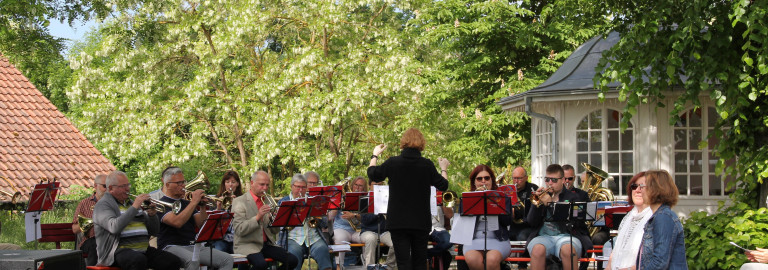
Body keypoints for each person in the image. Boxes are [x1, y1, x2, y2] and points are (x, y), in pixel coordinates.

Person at [367, 128, 450, 270]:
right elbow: (443, 185)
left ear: (403, 142)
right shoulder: (427, 164)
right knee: (419, 263)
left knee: (403, 263)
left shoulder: (393, 162)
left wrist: (374, 155)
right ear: (422, 143)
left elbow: (373, 174)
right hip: (420, 222)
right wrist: (443, 168)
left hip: (398, 222)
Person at [92, 171, 183, 270]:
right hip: (115, 252)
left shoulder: (131, 203)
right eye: (123, 186)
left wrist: (152, 216)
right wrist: (135, 207)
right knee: (138, 260)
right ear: (110, 188)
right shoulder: (103, 205)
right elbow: (114, 227)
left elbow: (154, 231)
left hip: (143, 250)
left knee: (173, 261)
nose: (127, 188)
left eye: (128, 185)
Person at [157, 167, 234, 270]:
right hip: (171, 246)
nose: (183, 185)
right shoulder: (161, 203)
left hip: (192, 245)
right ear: (167, 185)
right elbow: (177, 222)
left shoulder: (187, 203)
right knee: (192, 260)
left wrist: (202, 206)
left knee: (227, 259)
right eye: (178, 183)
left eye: (183, 182)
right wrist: (194, 202)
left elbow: (202, 224)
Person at [526, 164, 592, 270]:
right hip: (543, 236)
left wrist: (551, 204)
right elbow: (531, 222)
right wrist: (536, 205)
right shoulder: (541, 195)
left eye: (554, 180)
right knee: (537, 250)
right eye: (547, 179)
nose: (550, 183)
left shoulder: (573, 197)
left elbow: (574, 223)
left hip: (567, 235)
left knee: (568, 251)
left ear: (562, 180)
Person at [232, 171, 299, 270]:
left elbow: (275, 232)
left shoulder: (268, 200)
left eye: (267, 185)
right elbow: (239, 229)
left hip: (266, 244)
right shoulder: (239, 201)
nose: (265, 188)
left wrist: (274, 219)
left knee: (293, 261)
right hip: (247, 244)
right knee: (261, 265)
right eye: (262, 184)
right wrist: (258, 217)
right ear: (252, 183)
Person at [458, 165, 511, 270]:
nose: (483, 181)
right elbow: (462, 224)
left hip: (498, 239)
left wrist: (493, 204)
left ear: (492, 180)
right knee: (473, 260)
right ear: (474, 182)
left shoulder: (502, 197)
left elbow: (508, 221)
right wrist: (477, 201)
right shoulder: (467, 199)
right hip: (474, 240)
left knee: (492, 260)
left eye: (487, 178)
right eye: (479, 178)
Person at [277, 174, 334, 270]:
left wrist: (316, 215)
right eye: (298, 187)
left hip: (313, 238)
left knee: (323, 250)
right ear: (291, 186)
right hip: (293, 239)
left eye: (303, 187)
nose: (300, 190)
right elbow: (279, 225)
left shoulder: (314, 200)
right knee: (293, 256)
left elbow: (324, 223)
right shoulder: (283, 202)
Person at [635, 170, 687, 269]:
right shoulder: (659, 216)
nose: (639, 190)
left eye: (642, 186)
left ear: (655, 189)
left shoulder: (663, 217)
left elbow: (660, 262)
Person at [606, 172, 652, 270]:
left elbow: (652, 261)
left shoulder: (654, 218)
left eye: (643, 187)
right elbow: (614, 254)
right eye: (634, 186)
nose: (638, 190)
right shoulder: (628, 217)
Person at [330, 176, 367, 266]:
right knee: (339, 239)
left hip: (358, 230)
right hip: (341, 228)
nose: (357, 188)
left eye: (360, 186)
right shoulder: (342, 197)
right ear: (352, 185)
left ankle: (366, 264)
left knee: (368, 239)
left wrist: (354, 215)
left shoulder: (366, 199)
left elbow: (367, 218)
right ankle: (339, 266)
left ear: (364, 188)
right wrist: (337, 204)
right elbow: (331, 216)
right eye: (355, 185)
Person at [360, 180, 397, 269]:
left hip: (384, 231)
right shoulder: (364, 199)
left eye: (380, 185)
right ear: (369, 186)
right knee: (370, 239)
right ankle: (369, 267)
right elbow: (365, 220)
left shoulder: (387, 197)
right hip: (368, 231)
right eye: (375, 185)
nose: (377, 187)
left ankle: (389, 267)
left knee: (397, 241)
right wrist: (378, 210)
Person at [72, 174, 107, 266]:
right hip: (90, 240)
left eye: (110, 187)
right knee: (95, 244)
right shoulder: (84, 203)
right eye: (105, 186)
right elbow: (75, 229)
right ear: (95, 186)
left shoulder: (114, 202)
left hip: (109, 239)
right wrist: (93, 220)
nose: (107, 190)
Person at [510, 166, 538, 270]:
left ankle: (522, 266)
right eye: (514, 178)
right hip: (512, 224)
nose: (516, 181)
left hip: (526, 225)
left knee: (522, 237)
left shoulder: (533, 189)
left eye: (519, 178)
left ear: (526, 178)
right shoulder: (509, 190)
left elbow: (535, 209)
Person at [213, 170, 244, 254]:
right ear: (224, 184)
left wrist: (237, 207)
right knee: (218, 252)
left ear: (237, 184)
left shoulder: (243, 199)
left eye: (233, 182)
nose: (230, 184)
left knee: (245, 253)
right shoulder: (217, 198)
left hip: (238, 239)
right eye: (227, 182)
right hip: (221, 239)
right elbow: (212, 224)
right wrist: (218, 208)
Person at [428, 192, 453, 270]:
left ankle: (427, 254)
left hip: (438, 229)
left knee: (448, 242)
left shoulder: (441, 193)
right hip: (421, 228)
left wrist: (443, 203)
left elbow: (450, 215)